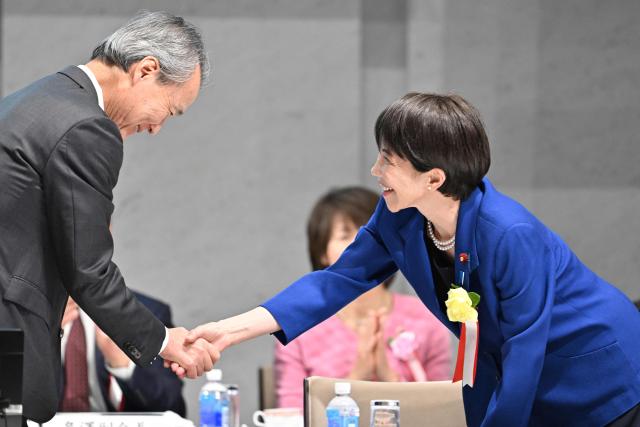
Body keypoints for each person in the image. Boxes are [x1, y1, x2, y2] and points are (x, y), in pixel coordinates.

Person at [185, 92, 640, 427]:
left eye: (387, 160)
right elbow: (335, 281)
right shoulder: (400, 214)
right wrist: (229, 330)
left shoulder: (510, 233)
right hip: (517, 379)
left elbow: (524, 349)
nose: (374, 171)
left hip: (597, 375)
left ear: (433, 178)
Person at [0, 11, 219, 423]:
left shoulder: (40, 100)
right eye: (170, 110)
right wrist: (161, 341)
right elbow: (89, 269)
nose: (156, 128)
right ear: (146, 70)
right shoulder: (86, 126)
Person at [275, 187, 451, 408]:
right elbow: (290, 416)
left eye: (371, 235)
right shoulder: (300, 328)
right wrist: (358, 373)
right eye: (345, 235)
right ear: (322, 251)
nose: (362, 244)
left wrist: (388, 376)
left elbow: (442, 412)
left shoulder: (426, 317)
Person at [60, 293, 186, 415]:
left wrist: (125, 365)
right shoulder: (42, 312)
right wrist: (41, 340)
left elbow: (171, 408)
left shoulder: (144, 312)